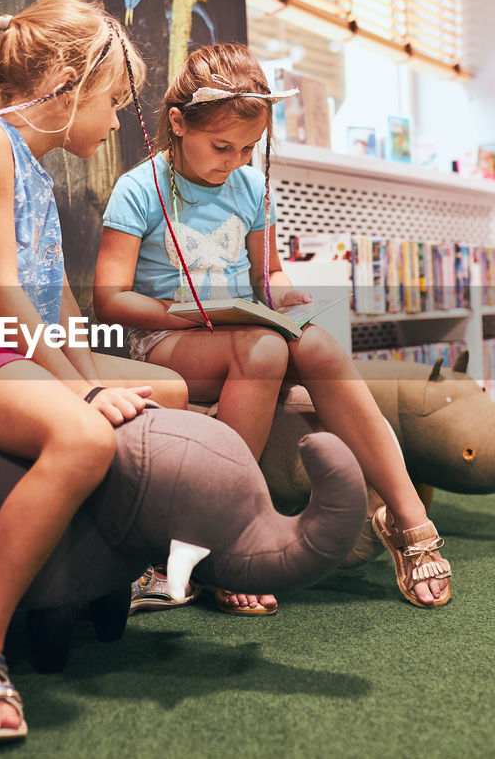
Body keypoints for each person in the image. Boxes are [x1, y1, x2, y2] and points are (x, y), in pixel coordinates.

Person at [0, 0, 187, 743]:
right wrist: (80, 389)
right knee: (84, 437)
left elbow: (52, 306)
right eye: (113, 101)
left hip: (4, 348)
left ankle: (133, 566)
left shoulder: (31, 167)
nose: (118, 121)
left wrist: (90, 371)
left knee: (171, 389)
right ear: (63, 78)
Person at [94, 42, 451, 617]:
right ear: (179, 124)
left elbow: (271, 276)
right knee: (262, 351)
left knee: (318, 346)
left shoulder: (249, 186)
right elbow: (109, 298)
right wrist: (190, 313)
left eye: (246, 149)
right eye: (221, 147)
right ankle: (230, 540)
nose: (233, 161)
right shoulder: (141, 187)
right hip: (164, 338)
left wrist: (286, 297)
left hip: (240, 329)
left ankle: (408, 518)